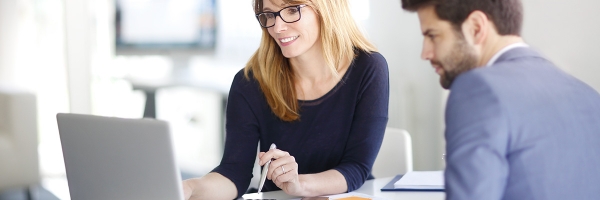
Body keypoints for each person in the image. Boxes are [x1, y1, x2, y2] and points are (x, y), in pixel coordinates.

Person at [183, 0, 389, 199]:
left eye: (291, 10)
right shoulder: (250, 83)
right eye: (269, 14)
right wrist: (191, 187)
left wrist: (299, 185)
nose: (278, 27)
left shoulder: (368, 68)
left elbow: (357, 167)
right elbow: (234, 173)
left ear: (326, 6)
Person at [399, 0, 600, 199]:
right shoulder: (588, 95)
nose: (425, 53)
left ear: (476, 28)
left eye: (433, 36)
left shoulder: (478, 89)